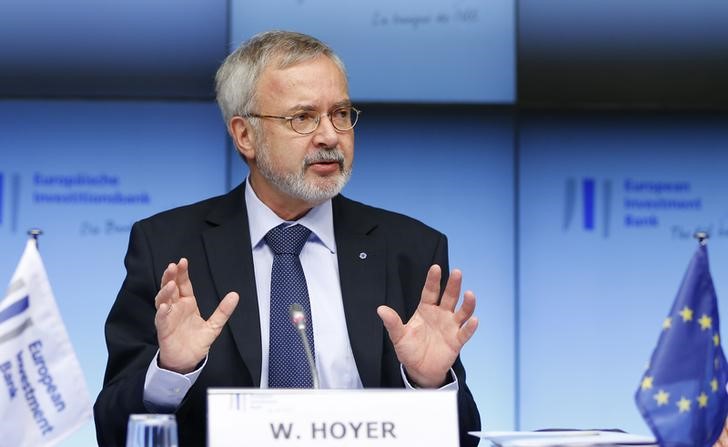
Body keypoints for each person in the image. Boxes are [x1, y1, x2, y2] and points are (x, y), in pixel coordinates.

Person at [94, 30, 481, 446]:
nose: (330, 136)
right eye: (303, 117)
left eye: (341, 113)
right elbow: (111, 428)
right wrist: (170, 372)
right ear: (245, 136)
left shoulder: (411, 249)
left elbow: (464, 437)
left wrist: (429, 384)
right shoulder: (167, 246)